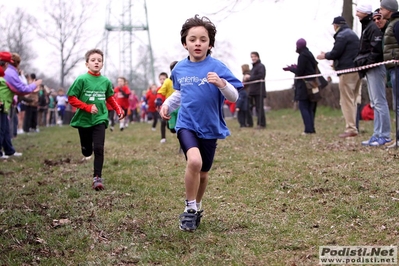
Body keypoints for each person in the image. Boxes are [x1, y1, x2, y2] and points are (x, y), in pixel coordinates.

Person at [159, 14, 242, 231]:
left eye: (203, 39)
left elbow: (234, 97)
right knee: (194, 162)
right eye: (193, 39)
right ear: (185, 43)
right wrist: (167, 105)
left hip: (210, 126)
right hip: (186, 123)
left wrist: (222, 84)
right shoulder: (179, 69)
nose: (198, 43)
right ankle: (189, 209)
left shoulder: (218, 67)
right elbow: (180, 93)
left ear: (210, 44)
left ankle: (197, 206)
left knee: (203, 173)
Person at [67, 48, 125, 190]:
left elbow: (110, 98)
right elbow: (71, 98)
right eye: (93, 60)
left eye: (99, 60)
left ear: (102, 64)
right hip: (84, 120)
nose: (96, 62)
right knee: (87, 151)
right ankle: (86, 148)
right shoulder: (81, 79)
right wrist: (87, 107)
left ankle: (97, 178)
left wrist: (118, 109)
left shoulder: (105, 81)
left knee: (99, 148)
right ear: (87, 64)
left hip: (100, 118)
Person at [354, 3, 392, 146]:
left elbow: (376, 50)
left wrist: (367, 63)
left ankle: (385, 135)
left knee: (380, 102)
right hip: (370, 68)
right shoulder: (367, 27)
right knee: (375, 103)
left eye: (358, 11)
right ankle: (377, 134)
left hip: (375, 67)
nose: (357, 13)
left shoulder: (372, 27)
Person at [317, 16, 361, 138]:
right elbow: (347, 53)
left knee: (346, 100)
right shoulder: (352, 33)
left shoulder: (341, 35)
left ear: (336, 25)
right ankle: (354, 126)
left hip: (347, 72)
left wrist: (324, 55)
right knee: (353, 99)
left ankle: (351, 128)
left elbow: (336, 52)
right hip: (356, 70)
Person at [2, 52, 40, 158]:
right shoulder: (10, 72)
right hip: (3, 103)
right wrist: (34, 85)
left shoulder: (9, 71)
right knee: (3, 128)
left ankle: (9, 150)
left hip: (6, 102)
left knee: (5, 128)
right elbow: (21, 89)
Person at [283, 38, 319, 134]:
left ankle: (308, 129)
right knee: (311, 107)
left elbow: (300, 72)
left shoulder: (302, 56)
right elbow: (308, 68)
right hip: (313, 84)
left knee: (303, 107)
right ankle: (312, 128)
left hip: (304, 86)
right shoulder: (310, 54)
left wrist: (292, 69)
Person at [379, 0, 399, 148]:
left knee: (398, 105)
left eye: (382, 8)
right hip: (392, 67)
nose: (380, 11)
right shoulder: (391, 23)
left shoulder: (397, 24)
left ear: (389, 9)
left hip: (397, 67)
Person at [243, 51, 266, 128]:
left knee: (260, 108)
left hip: (259, 90)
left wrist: (250, 77)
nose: (253, 58)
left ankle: (261, 124)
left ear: (258, 57)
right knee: (252, 108)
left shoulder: (261, 66)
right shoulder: (253, 68)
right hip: (252, 91)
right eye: (252, 57)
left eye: (254, 56)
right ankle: (251, 123)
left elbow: (261, 76)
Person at [155, 72, 168, 142]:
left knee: (170, 125)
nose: (162, 80)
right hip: (162, 108)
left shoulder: (170, 87)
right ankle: (163, 138)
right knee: (163, 122)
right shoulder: (158, 89)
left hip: (170, 108)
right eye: (160, 79)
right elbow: (157, 98)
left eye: (164, 79)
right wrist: (157, 105)